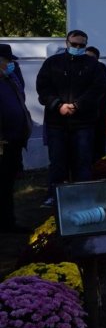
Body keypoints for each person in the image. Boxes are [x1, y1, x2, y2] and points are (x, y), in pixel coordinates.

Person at [36, 30, 106, 206]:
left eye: (81, 45)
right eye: (74, 44)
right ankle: (55, 195)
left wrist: (77, 106)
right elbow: (43, 88)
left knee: (83, 162)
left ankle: (82, 196)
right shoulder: (52, 63)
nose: (77, 47)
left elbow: (98, 90)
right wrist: (58, 105)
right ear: (66, 43)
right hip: (56, 123)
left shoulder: (94, 66)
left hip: (84, 123)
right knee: (58, 162)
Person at [0, 45, 32, 231]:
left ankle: (7, 221)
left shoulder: (10, 80)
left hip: (13, 141)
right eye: (7, 61)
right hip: (2, 143)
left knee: (7, 183)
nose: (11, 64)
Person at [84, 45, 106, 162]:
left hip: (100, 116)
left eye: (92, 58)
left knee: (98, 147)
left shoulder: (102, 72)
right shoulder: (78, 72)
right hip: (82, 118)